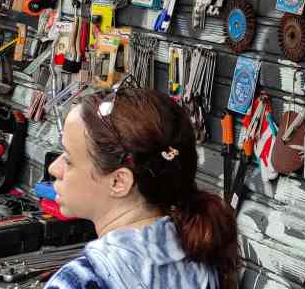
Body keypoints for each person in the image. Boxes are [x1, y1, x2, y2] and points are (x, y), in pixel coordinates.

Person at [45, 79, 238, 289]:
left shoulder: (79, 280)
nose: (54, 168)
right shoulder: (202, 261)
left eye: (69, 159)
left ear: (118, 181)